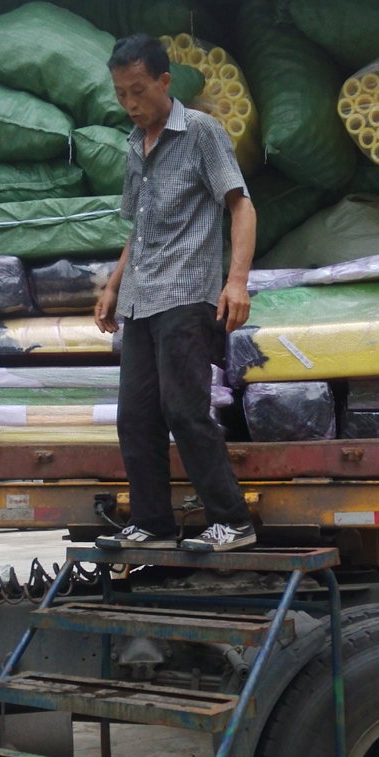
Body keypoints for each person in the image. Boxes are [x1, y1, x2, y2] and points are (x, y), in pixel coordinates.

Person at [93, 33, 257, 553]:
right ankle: (153, 522)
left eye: (138, 91)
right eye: (121, 94)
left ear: (165, 81)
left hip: (187, 296)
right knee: (134, 417)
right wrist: (113, 286)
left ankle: (233, 521)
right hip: (141, 299)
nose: (130, 104)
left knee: (183, 410)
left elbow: (241, 205)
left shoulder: (202, 132)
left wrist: (236, 281)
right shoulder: (132, 145)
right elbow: (138, 229)